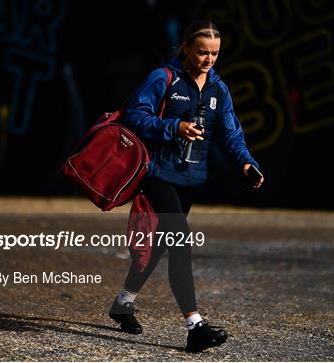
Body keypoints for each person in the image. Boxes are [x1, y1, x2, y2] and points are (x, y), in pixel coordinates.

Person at [108, 20, 264, 353]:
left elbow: (231, 132)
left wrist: (247, 163)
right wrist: (173, 127)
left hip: (190, 180)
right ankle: (195, 326)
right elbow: (134, 116)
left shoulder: (218, 89)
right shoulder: (164, 77)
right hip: (157, 175)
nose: (209, 59)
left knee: (161, 246)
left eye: (215, 53)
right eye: (202, 52)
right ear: (186, 49)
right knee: (180, 241)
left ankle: (123, 303)